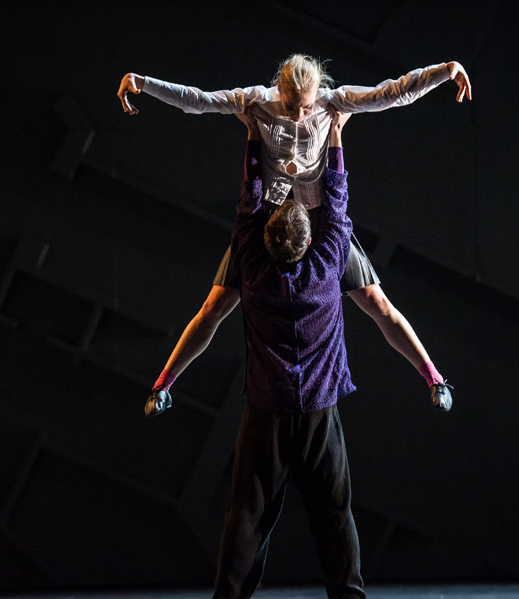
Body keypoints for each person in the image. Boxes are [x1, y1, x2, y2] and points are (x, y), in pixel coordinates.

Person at [117, 55, 468, 414]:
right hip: (270, 222)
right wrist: (143, 82)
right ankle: (163, 386)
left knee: (377, 302)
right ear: (280, 91)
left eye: (306, 107)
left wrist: (443, 72)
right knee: (214, 306)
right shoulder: (258, 100)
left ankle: (435, 379)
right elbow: (199, 101)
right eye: (290, 107)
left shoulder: (332, 102)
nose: (299, 115)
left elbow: (390, 94)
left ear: (317, 91)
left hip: (320, 221)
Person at [205, 106, 405, 599]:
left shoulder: (251, 267)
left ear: (266, 239)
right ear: (309, 239)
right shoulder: (328, 264)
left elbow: (250, 201)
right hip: (317, 414)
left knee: (246, 517)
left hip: (266, 413)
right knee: (334, 516)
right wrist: (335, 136)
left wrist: (254, 136)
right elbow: (336, 200)